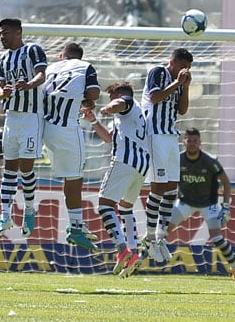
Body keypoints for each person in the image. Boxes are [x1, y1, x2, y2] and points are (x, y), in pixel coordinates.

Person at [85, 81, 151, 278]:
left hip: (124, 161)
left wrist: (107, 108)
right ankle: (133, 251)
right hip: (141, 166)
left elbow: (119, 103)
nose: (111, 101)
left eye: (112, 97)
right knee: (125, 208)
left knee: (105, 205)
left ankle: (122, 249)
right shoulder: (132, 118)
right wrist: (93, 120)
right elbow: (108, 138)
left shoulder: (128, 102)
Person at [157, 128, 235, 277]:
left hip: (209, 204)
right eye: (189, 140)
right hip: (185, 203)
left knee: (217, 238)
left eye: (195, 141)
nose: (192, 144)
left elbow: (226, 182)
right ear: (184, 142)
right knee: (161, 232)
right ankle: (139, 262)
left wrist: (226, 206)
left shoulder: (209, 161)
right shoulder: (178, 159)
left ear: (200, 142)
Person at [0, 18, 47, 238]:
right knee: (9, 168)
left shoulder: (33, 50)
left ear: (18, 33)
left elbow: (42, 75)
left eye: (5, 32)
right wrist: (2, 93)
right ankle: (5, 216)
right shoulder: (3, 58)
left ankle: (29, 210)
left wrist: (30, 84)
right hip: (11, 118)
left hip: (31, 117)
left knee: (26, 167)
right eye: (0, 33)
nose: (2, 37)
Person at [42, 42, 100, 250]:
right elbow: (93, 94)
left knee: (68, 176)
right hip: (67, 128)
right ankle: (75, 227)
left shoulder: (50, 68)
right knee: (75, 178)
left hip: (45, 128)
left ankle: (77, 224)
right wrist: (85, 98)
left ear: (61, 56)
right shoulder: (85, 66)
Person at [140, 48, 192, 263]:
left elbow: (182, 110)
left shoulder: (180, 82)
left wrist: (185, 88)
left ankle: (159, 236)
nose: (184, 71)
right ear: (173, 62)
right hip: (155, 134)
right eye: (182, 66)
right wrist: (177, 84)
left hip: (170, 135)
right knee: (158, 187)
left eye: (187, 68)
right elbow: (154, 97)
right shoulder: (158, 72)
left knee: (171, 189)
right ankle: (150, 238)